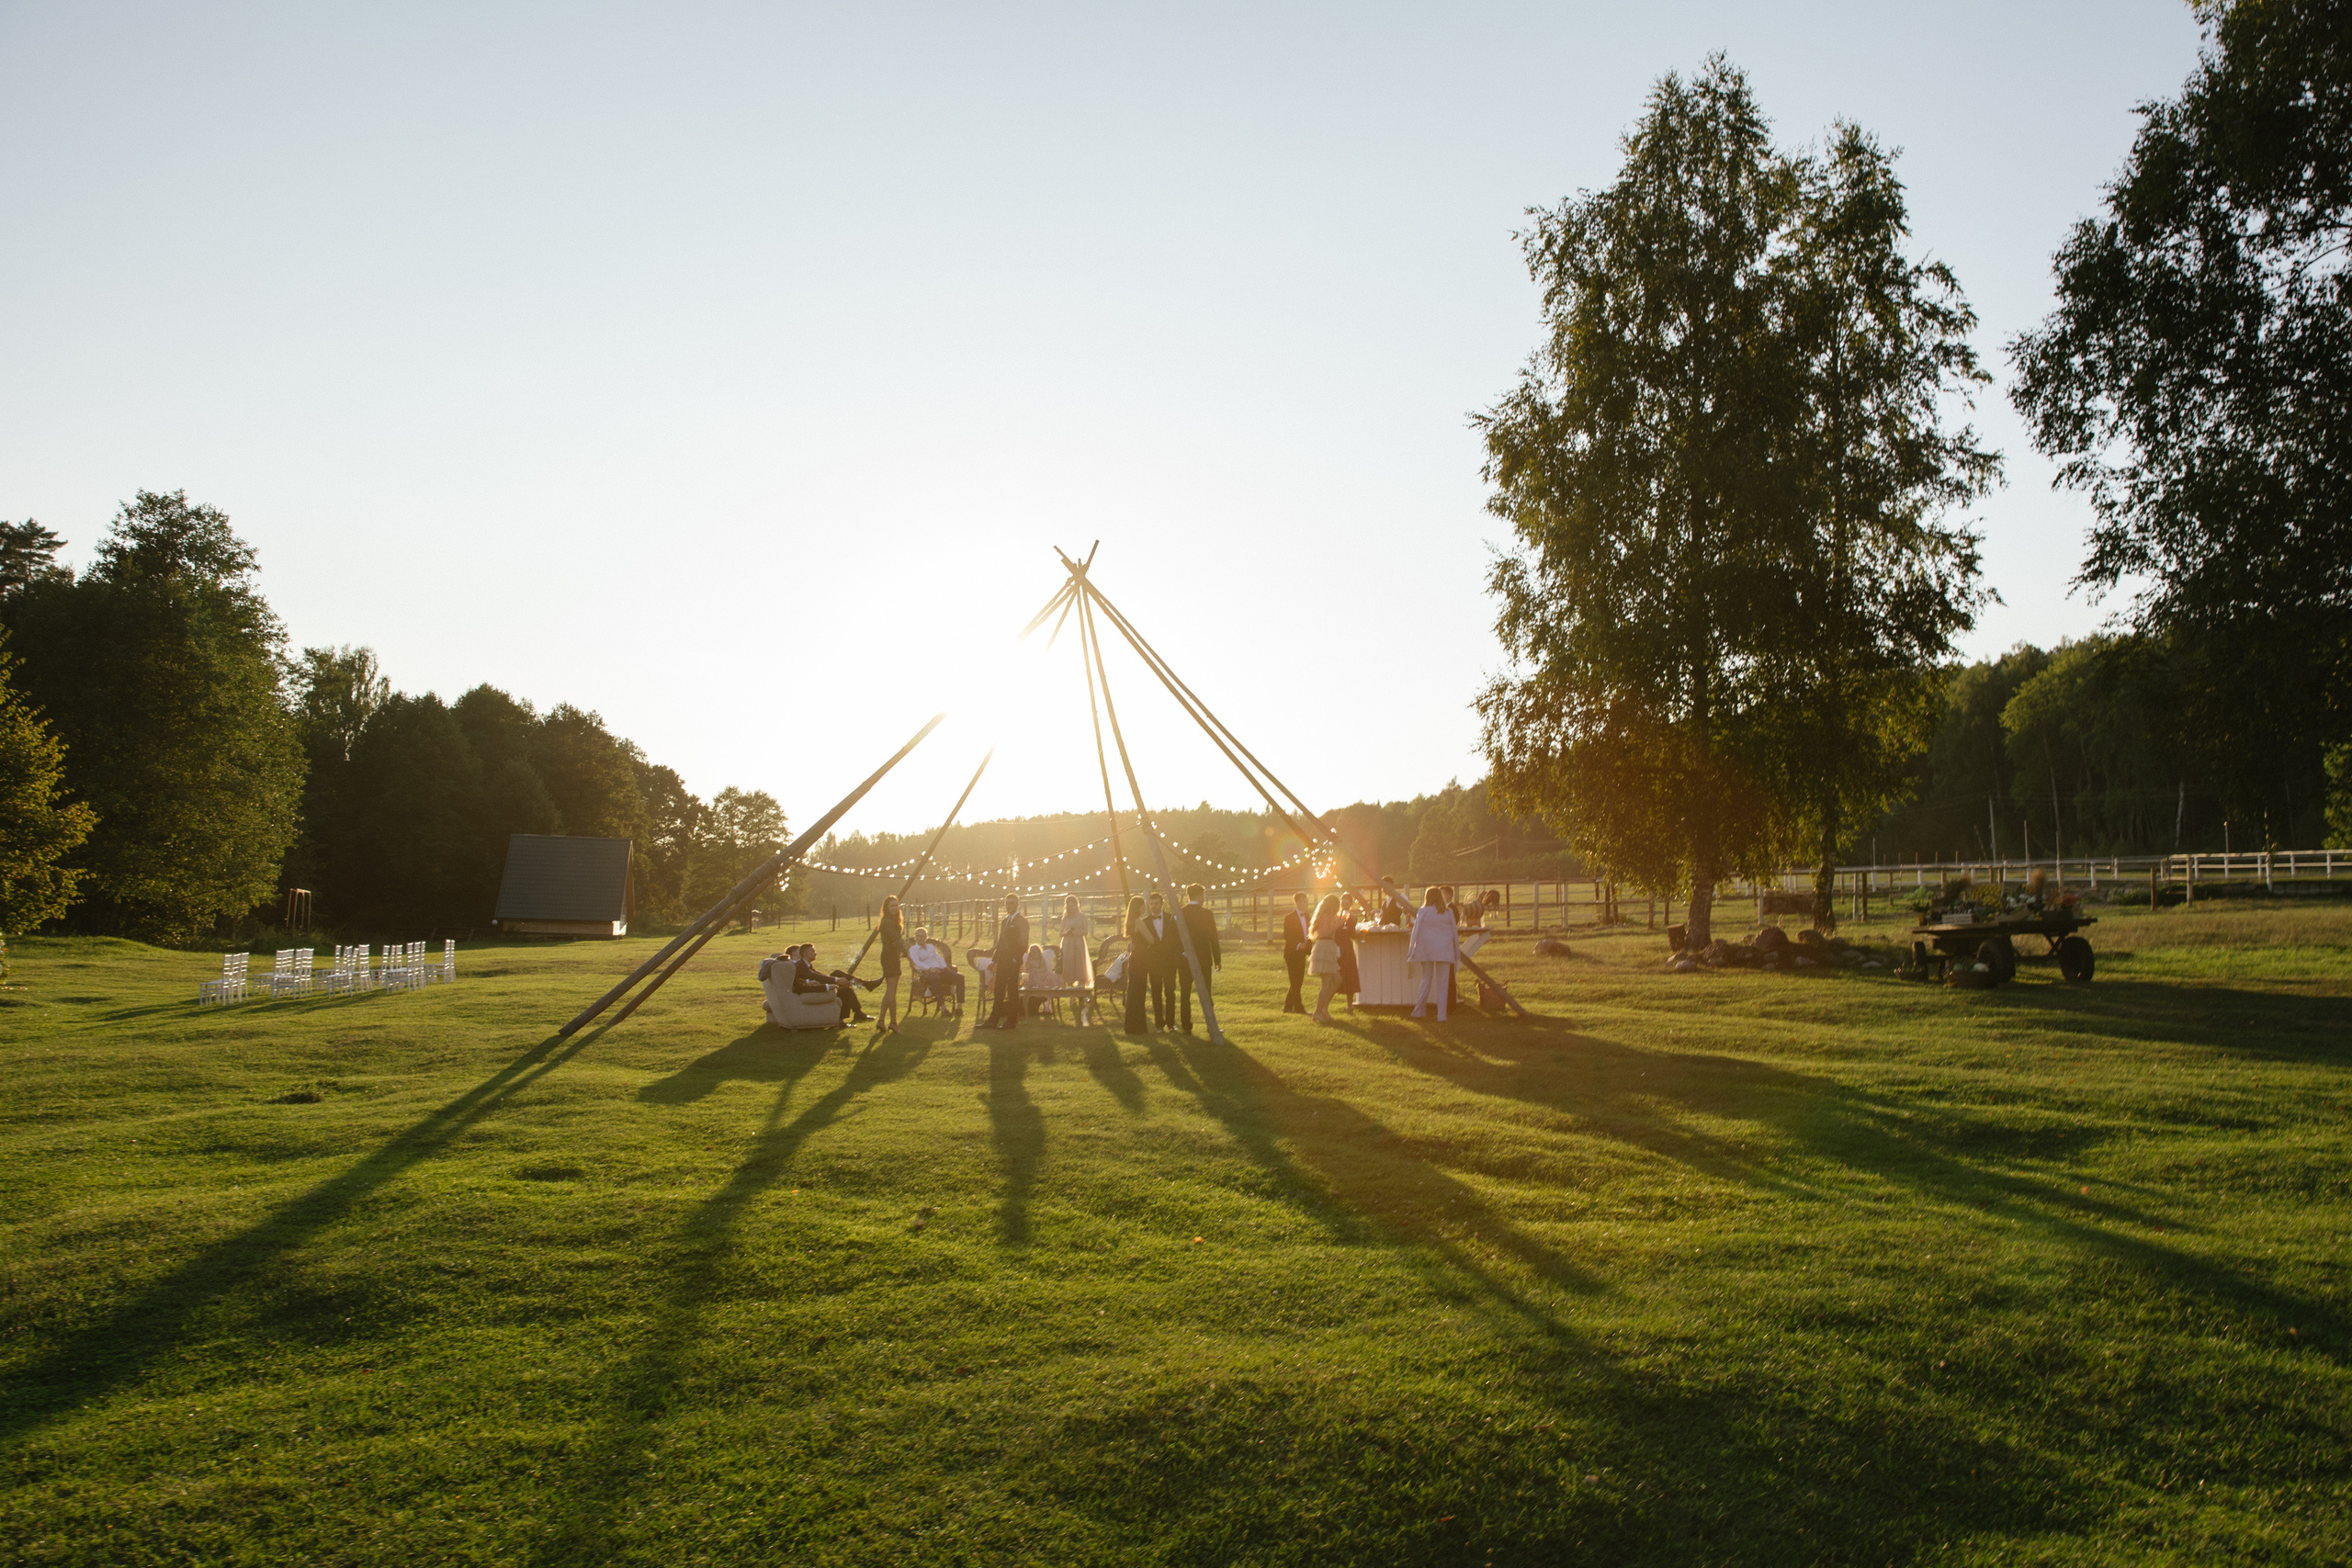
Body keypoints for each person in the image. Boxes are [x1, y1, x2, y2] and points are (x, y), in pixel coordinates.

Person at [1407, 886, 1458, 1021]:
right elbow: (1454, 933)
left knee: (1426, 980)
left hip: (1426, 950)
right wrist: (1456, 952)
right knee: (1443, 983)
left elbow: (1415, 932)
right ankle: (1442, 1015)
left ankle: (1419, 1010)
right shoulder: (1448, 913)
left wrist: (1411, 951)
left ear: (1427, 898)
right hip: (1445, 950)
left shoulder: (1423, 912)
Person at [1174, 883, 1220, 1032]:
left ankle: (1186, 1026)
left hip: (1184, 959)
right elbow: (1213, 938)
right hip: (1204, 959)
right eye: (1203, 896)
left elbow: (1172, 936)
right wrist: (1217, 959)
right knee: (1206, 993)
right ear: (1199, 896)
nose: (1204, 899)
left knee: (1185, 993)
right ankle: (1211, 1025)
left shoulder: (1180, 913)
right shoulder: (1207, 914)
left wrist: (1181, 952)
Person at [793, 944, 871, 1023]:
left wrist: (836, 980)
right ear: (806, 954)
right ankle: (843, 1019)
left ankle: (865, 985)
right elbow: (814, 976)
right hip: (813, 989)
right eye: (813, 951)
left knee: (838, 973)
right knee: (846, 990)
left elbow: (818, 975)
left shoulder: (805, 964)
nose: (815, 953)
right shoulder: (801, 966)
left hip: (814, 985)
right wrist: (836, 980)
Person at [989, 893, 1029, 1029]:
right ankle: (993, 1020)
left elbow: (1024, 944)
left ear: (1017, 904)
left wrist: (1015, 959)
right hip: (1002, 961)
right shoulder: (1005, 921)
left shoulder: (1021, 921)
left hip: (1013, 961)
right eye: (1006, 903)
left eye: (1011, 903)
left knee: (1012, 991)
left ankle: (1012, 1021)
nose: (1008, 905)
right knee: (998, 990)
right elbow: (1001, 942)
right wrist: (994, 960)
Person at [1307, 894, 1345, 1024]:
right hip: (1324, 947)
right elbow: (1325, 933)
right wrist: (1338, 924)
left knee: (1337, 979)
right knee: (1326, 983)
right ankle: (1317, 1012)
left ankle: (1324, 1008)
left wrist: (1336, 922)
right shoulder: (1324, 916)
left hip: (1329, 947)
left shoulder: (1329, 916)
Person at [1143, 891, 1178, 1030]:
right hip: (1154, 963)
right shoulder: (1144, 922)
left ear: (1162, 904)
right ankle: (1159, 1025)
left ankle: (1171, 1023)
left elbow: (1176, 939)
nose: (1153, 906)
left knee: (1170, 992)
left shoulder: (1171, 919)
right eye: (1151, 904)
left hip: (1170, 962)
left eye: (1156, 903)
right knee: (1156, 994)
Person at [907, 926, 963, 1010]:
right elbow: (917, 963)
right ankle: (943, 1008)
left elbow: (938, 958)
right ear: (915, 937)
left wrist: (945, 967)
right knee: (935, 978)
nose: (920, 938)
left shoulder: (930, 947)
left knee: (960, 977)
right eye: (918, 936)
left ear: (926, 937)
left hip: (939, 970)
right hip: (926, 974)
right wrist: (930, 969)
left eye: (922, 936)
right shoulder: (913, 950)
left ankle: (959, 1007)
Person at [1121, 895, 1152, 1034]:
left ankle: (1131, 1025)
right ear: (1139, 907)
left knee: (1133, 991)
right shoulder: (1139, 922)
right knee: (1139, 992)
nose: (1144, 908)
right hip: (1141, 958)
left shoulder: (1130, 921)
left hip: (1134, 958)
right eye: (1143, 905)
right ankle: (1138, 1026)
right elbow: (1150, 939)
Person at [876, 895, 905, 1032]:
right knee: (891, 992)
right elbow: (896, 941)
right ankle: (893, 1022)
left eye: (896, 905)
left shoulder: (892, 921)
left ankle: (881, 1021)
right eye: (892, 905)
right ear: (887, 908)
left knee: (890, 991)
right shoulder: (888, 922)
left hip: (891, 957)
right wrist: (908, 954)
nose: (895, 908)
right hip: (890, 958)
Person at [1280, 891, 1312, 1013]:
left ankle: (1288, 1007)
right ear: (1298, 902)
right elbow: (1287, 935)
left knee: (1298, 980)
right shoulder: (1289, 918)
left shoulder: (1307, 916)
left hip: (1302, 953)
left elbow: (1308, 934)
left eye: (1307, 902)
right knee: (1295, 981)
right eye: (1304, 901)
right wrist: (1299, 945)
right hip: (1292, 953)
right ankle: (1299, 1008)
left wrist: (1308, 947)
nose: (1306, 904)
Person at [1057, 894, 1093, 991]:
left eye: (1072, 905)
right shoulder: (1066, 918)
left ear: (1076, 905)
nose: (1071, 907)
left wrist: (1076, 933)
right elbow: (1060, 933)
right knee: (1068, 961)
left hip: (1078, 941)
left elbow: (1085, 931)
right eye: (1069, 905)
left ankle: (1081, 982)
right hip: (1068, 942)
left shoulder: (1082, 916)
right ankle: (1070, 983)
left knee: (1079, 961)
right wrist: (1067, 932)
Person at [1336, 891, 1363, 1010]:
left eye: (1347, 903)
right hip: (1336, 947)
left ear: (1350, 905)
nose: (1344, 905)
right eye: (1343, 903)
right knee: (1334, 975)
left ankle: (1349, 1005)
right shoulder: (1335, 917)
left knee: (1350, 975)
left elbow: (1352, 934)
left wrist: (1361, 934)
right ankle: (1324, 1004)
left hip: (1347, 948)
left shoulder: (1353, 917)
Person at [1021, 942, 1057, 1017]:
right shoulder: (1030, 960)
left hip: (1042, 975)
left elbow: (1045, 969)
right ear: (1030, 953)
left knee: (1048, 987)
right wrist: (1027, 977)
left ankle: (1047, 1006)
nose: (1035, 954)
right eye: (1033, 952)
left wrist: (1044, 975)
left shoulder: (1042, 959)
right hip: (1034, 976)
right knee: (1039, 989)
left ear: (1039, 952)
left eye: (1036, 952)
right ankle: (1043, 1005)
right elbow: (1027, 970)